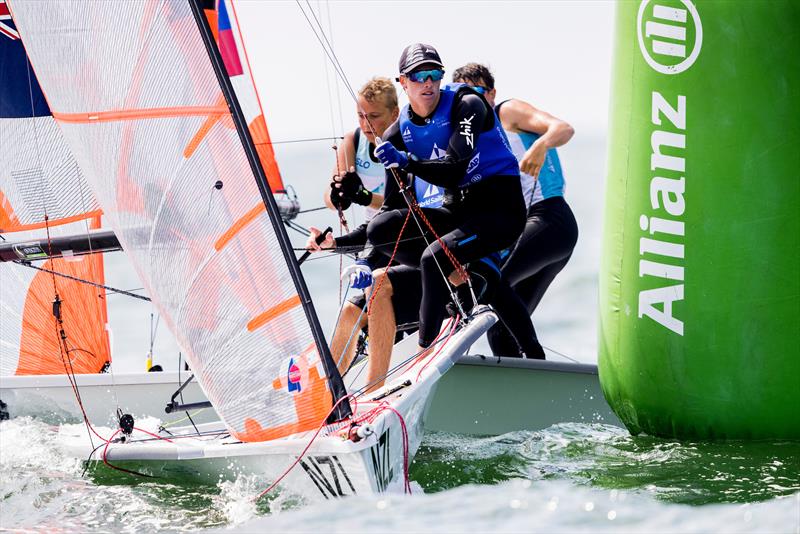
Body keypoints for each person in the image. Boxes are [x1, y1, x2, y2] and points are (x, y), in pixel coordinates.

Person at [368, 43, 528, 356]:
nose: (428, 82)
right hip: (460, 212)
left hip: (500, 211)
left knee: (432, 258)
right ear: (403, 82)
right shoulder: (397, 132)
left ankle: (426, 351)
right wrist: (347, 245)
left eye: (434, 74)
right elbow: (391, 206)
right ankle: (456, 274)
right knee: (381, 229)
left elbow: (455, 169)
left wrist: (407, 162)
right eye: (418, 76)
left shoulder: (468, 104)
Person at [452, 63, 577, 358]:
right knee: (499, 324)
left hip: (550, 219)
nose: (471, 102)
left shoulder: (506, 112)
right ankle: (527, 388)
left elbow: (563, 128)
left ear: (492, 94)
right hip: (526, 230)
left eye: (478, 93)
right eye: (462, 97)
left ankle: (535, 359)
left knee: (494, 284)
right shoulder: (472, 138)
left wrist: (541, 145)